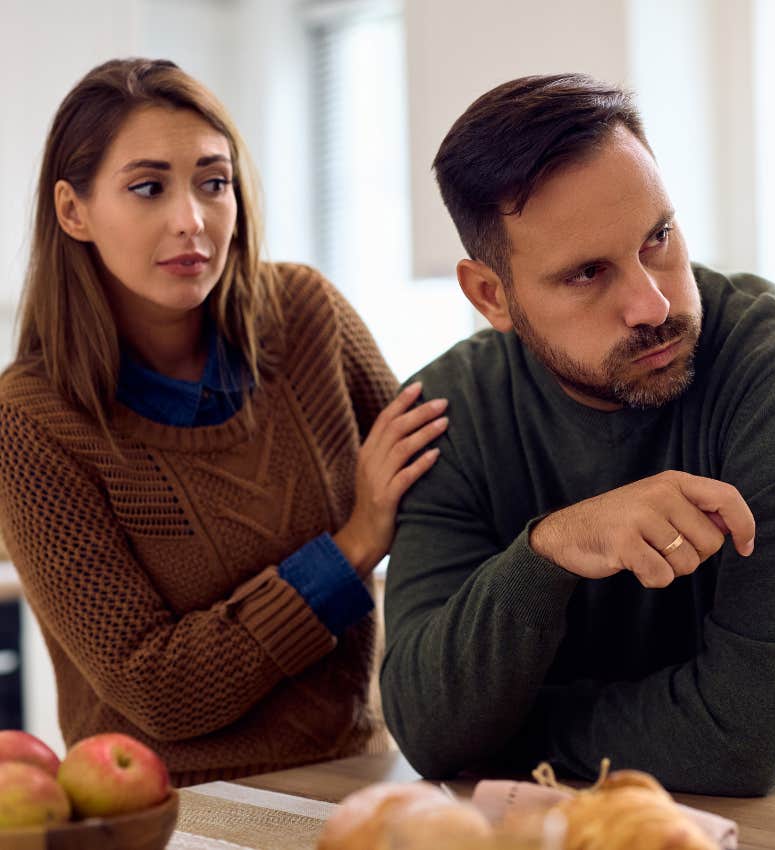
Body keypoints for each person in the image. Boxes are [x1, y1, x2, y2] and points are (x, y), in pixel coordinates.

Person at [380, 73, 775, 797]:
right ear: (491, 295)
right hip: (560, 813)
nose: (651, 302)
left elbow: (743, 746)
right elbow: (426, 726)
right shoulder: (446, 410)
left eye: (658, 238)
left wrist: (510, 735)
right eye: (588, 273)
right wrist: (547, 552)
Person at [0, 57, 449, 786]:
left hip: (354, 775)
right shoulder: (31, 422)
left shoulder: (307, 316)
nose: (192, 219)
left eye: (214, 182)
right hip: (172, 810)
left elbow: (442, 486)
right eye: (148, 188)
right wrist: (356, 543)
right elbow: (159, 689)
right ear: (72, 210)